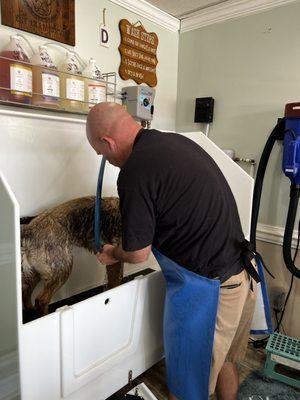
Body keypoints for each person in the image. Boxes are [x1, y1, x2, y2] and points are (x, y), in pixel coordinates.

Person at [86, 102, 257, 400]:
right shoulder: (174, 141)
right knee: (226, 362)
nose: (107, 160)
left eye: (102, 154)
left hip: (212, 292)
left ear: (108, 142)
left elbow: (139, 253)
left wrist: (114, 253)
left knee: (185, 387)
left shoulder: (135, 172)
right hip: (243, 274)